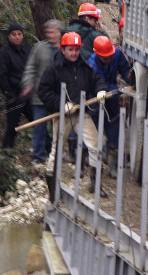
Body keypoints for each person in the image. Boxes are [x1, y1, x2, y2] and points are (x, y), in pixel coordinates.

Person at [38, 31, 109, 199]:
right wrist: (62, 104)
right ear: (63, 50)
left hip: (81, 114)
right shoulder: (54, 69)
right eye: (70, 50)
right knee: (57, 150)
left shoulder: (84, 67)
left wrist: (100, 90)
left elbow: (97, 79)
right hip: (61, 115)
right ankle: (53, 192)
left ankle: (95, 184)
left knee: (95, 146)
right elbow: (43, 92)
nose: (74, 53)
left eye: (76, 50)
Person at [20, 19, 64, 164]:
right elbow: (30, 67)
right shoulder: (39, 48)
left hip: (58, 96)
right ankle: (38, 156)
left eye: (52, 32)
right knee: (39, 127)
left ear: (59, 32)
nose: (49, 35)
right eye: (47, 33)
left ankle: (56, 155)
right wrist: (27, 84)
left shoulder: (66, 48)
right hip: (40, 96)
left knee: (58, 128)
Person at [88, 36, 131, 178]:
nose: (109, 60)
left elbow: (125, 69)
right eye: (105, 58)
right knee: (94, 128)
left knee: (114, 124)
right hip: (95, 97)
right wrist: (111, 90)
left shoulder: (116, 54)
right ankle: (93, 161)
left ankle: (112, 159)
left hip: (112, 96)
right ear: (98, 55)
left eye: (110, 57)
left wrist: (130, 81)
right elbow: (96, 82)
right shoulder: (92, 64)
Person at [0, 23, 33, 155]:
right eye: (14, 34)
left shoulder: (27, 50)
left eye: (19, 34)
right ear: (9, 36)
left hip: (29, 95)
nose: (17, 37)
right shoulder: (4, 54)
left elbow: (33, 69)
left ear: (23, 35)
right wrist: (9, 95)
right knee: (12, 127)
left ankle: (48, 149)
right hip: (14, 96)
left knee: (38, 122)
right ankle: (6, 154)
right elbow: (1, 76)